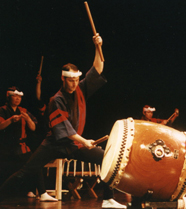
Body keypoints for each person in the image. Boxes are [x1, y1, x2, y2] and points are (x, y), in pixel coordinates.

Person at [0, 34, 126, 208]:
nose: (74, 84)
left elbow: (97, 68)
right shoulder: (56, 100)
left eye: (76, 80)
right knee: (26, 171)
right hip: (55, 144)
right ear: (63, 79)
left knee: (105, 158)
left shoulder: (80, 89)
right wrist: (85, 141)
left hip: (74, 145)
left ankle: (107, 199)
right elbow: (66, 129)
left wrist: (98, 47)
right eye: (71, 81)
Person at [0, 86, 58, 201]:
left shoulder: (24, 111)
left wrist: (28, 120)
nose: (17, 99)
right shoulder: (2, 110)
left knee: (35, 163)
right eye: (15, 96)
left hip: (21, 147)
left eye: (19, 97)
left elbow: (33, 128)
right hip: (5, 148)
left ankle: (42, 193)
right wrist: (10, 120)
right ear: (9, 97)